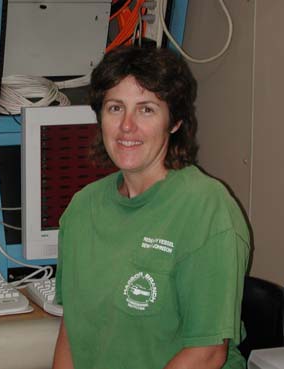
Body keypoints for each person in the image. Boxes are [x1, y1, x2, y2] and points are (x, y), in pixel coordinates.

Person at [52, 46, 250, 369]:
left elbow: (207, 353)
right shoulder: (81, 209)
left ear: (174, 122)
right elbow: (71, 333)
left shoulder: (207, 209)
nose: (127, 126)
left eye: (146, 110)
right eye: (115, 108)